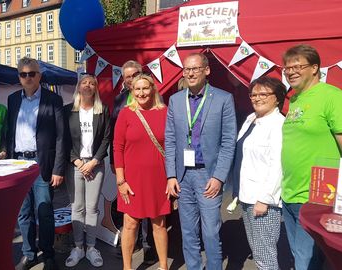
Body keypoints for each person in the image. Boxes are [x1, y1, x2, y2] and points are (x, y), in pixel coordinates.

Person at [165, 52, 237, 270]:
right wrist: (170, 175)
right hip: (183, 176)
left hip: (209, 175)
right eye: (187, 69)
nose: (190, 73)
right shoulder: (175, 101)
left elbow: (228, 141)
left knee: (211, 231)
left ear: (206, 70)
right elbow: (170, 140)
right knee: (187, 231)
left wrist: (219, 177)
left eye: (195, 68)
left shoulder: (224, 99)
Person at [281, 44, 342, 270]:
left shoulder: (331, 96)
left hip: (317, 197)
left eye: (298, 66)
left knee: (305, 262)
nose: (291, 71)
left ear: (315, 68)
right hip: (289, 193)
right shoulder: (294, 100)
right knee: (301, 255)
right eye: (287, 67)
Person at [7, 57, 65, 270]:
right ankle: (29, 254)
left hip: (42, 164)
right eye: (24, 74)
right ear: (19, 77)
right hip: (18, 164)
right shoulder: (13, 99)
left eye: (32, 73)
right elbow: (9, 133)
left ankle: (48, 254)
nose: (28, 77)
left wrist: (58, 169)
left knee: (44, 211)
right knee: (23, 213)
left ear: (39, 75)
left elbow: (61, 137)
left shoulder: (53, 99)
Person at [114, 73, 170, 270]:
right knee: (130, 224)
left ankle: (163, 266)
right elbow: (117, 147)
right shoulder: (126, 113)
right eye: (137, 89)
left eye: (145, 88)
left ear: (153, 89)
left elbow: (172, 146)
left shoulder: (165, 112)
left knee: (159, 224)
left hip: (158, 178)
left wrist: (171, 178)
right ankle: (127, 267)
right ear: (132, 91)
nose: (141, 93)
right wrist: (121, 181)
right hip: (132, 179)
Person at [233, 76, 286, 270]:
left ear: (277, 98)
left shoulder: (278, 125)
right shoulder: (251, 119)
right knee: (258, 250)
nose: (257, 98)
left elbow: (277, 165)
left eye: (263, 94)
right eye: (253, 94)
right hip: (247, 195)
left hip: (263, 200)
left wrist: (265, 199)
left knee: (265, 254)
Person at [109, 60, 157, 264]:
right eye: (127, 76)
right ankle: (132, 242)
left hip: (149, 162)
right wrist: (114, 162)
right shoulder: (120, 99)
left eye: (134, 74)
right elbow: (114, 134)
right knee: (130, 207)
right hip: (127, 162)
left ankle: (149, 247)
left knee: (151, 210)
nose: (131, 79)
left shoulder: (153, 97)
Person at [64, 74, 110, 268]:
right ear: (78, 87)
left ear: (96, 88)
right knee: (77, 207)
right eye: (84, 82)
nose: (88, 85)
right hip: (75, 165)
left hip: (96, 165)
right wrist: (77, 162)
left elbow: (107, 138)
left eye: (92, 83)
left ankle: (91, 247)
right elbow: (64, 140)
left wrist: (93, 162)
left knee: (91, 208)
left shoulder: (103, 110)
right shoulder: (68, 111)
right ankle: (78, 247)